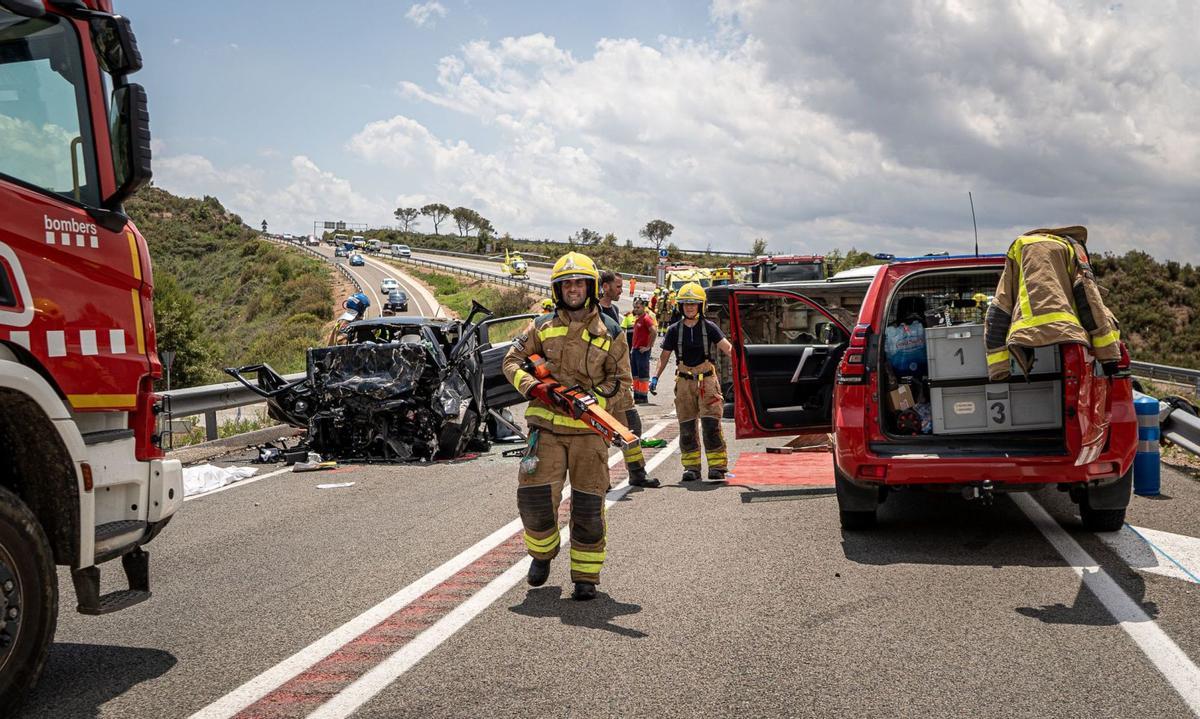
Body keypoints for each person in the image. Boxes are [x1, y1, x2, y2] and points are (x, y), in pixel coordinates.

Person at [503, 252, 634, 600]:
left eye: (579, 283)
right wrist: (535, 387)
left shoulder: (612, 331)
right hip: (545, 430)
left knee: (589, 507)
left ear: (591, 287)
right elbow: (511, 360)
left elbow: (621, 382)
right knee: (534, 500)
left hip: (589, 434)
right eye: (566, 284)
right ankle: (542, 555)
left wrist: (593, 402)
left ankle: (586, 577)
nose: (573, 289)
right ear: (558, 289)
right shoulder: (541, 326)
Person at [985, 225, 1121, 380]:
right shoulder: (1072, 248)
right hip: (1069, 335)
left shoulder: (1019, 246)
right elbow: (1088, 299)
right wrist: (1109, 359)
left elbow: (1000, 308)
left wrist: (999, 369)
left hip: (1024, 336)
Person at [652, 282, 734, 481]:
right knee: (687, 427)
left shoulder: (710, 328)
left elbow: (729, 349)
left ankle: (717, 467)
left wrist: (745, 369)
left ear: (701, 306)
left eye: (694, 304)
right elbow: (663, 357)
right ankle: (692, 468)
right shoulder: (673, 330)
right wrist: (655, 377)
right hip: (684, 383)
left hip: (707, 382)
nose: (689, 307)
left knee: (711, 424)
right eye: (686, 304)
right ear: (680, 306)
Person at [598, 269, 660, 489]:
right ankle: (599, 479)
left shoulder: (614, 310)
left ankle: (637, 473)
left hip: (621, 385)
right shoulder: (592, 312)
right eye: (618, 286)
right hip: (601, 386)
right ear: (605, 287)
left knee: (633, 427)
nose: (621, 290)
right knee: (599, 433)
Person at [629, 297, 656, 403]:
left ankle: (643, 397)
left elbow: (654, 332)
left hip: (642, 351)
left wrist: (648, 346)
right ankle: (637, 395)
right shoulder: (638, 318)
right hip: (635, 350)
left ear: (643, 307)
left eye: (638, 307)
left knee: (643, 374)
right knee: (635, 374)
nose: (635, 309)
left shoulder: (646, 318)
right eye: (634, 307)